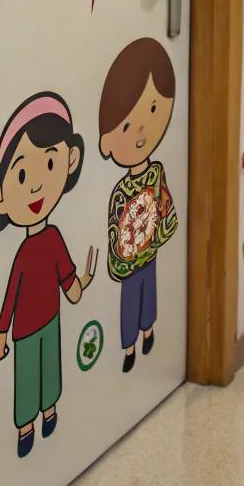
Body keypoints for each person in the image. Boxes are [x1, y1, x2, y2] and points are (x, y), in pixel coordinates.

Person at [0, 92, 97, 458]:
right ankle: (26, 426)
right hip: (24, 330)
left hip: (50, 320)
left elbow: (67, 279)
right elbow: (11, 295)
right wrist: (0, 335)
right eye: (23, 173)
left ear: (70, 160)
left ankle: (50, 410)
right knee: (27, 376)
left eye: (51, 164)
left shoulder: (54, 238)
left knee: (51, 371)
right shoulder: (24, 254)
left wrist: (82, 283)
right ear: (0, 198)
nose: (37, 185)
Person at [98, 38, 179, 373]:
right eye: (127, 125)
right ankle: (129, 345)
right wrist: (121, 258)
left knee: (151, 291)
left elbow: (165, 206)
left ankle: (149, 331)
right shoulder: (120, 191)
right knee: (130, 297)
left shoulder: (156, 172)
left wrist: (158, 229)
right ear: (107, 141)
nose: (143, 128)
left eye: (154, 109)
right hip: (131, 257)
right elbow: (115, 228)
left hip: (151, 249)